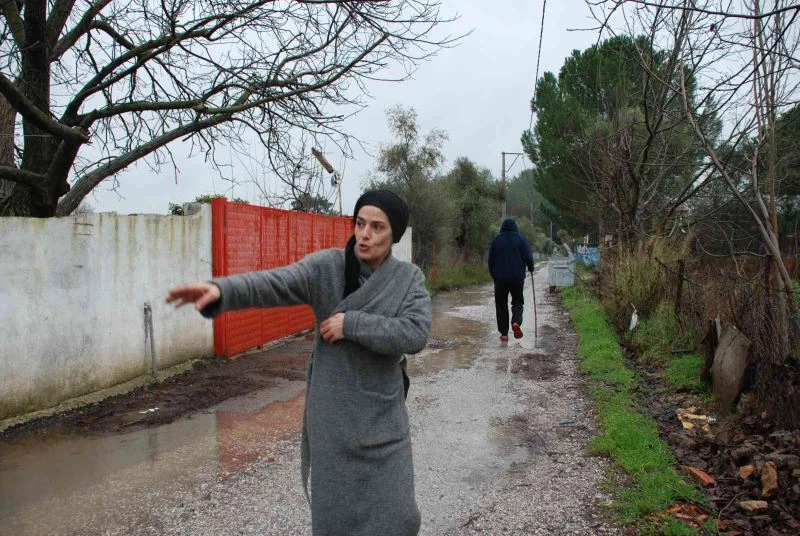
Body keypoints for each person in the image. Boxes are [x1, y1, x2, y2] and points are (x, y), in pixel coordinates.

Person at [166, 190, 432, 535]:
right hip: (333, 422)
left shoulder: (408, 279)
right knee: (337, 523)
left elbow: (415, 334)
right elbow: (276, 283)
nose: (364, 234)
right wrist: (223, 291)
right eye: (360, 224)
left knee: (400, 520)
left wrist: (351, 324)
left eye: (377, 227)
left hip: (384, 420)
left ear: (393, 234)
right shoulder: (328, 268)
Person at [487, 218, 534, 342]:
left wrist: (494, 276)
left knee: (501, 305)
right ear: (515, 227)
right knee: (517, 301)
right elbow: (529, 256)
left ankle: (504, 334)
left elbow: (490, 261)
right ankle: (516, 322)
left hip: (500, 279)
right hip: (517, 278)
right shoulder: (521, 239)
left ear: (502, 227)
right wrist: (531, 267)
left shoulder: (496, 240)